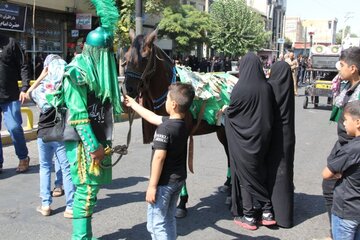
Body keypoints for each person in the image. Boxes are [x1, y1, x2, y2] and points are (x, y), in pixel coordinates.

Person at [46, 1, 122, 238]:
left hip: (96, 141)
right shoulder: (76, 73)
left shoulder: (95, 69)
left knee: (91, 193)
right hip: (83, 144)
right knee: (85, 193)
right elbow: (79, 118)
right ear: (96, 52)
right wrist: (94, 148)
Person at [124, 83, 195, 240]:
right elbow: (152, 117)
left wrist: (152, 186)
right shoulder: (181, 124)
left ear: (174, 104)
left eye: (167, 99)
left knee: (155, 225)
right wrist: (134, 104)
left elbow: (159, 157)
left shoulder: (165, 129)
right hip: (178, 181)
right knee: (168, 219)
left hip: (163, 184)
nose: (165, 102)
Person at [224, 52, 276, 230]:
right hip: (262, 139)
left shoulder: (240, 88)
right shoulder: (267, 87)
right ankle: (267, 212)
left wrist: (225, 110)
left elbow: (234, 113)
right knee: (260, 172)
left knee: (244, 177)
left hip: (243, 142)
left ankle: (249, 216)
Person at [24, 54, 75, 217]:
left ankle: (46, 205)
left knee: (45, 167)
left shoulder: (41, 89)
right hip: (60, 133)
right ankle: (71, 206)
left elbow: (28, 94)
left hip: (43, 133)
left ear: (48, 68)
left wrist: (41, 76)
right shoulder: (67, 88)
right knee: (66, 168)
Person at [322, 46, 360, 239]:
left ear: (353, 68)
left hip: (352, 147)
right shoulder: (347, 85)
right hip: (346, 144)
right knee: (332, 187)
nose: (339, 69)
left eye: (342, 65)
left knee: (335, 187)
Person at [266, 61, 296, 228]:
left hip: (273, 135)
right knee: (285, 174)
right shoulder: (288, 87)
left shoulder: (270, 87)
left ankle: (270, 211)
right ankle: (285, 217)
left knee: (272, 172)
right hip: (288, 135)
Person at [0, 33, 31, 174]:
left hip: (10, 96)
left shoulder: (11, 42)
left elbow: (24, 65)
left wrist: (25, 88)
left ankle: (23, 157)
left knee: (13, 128)